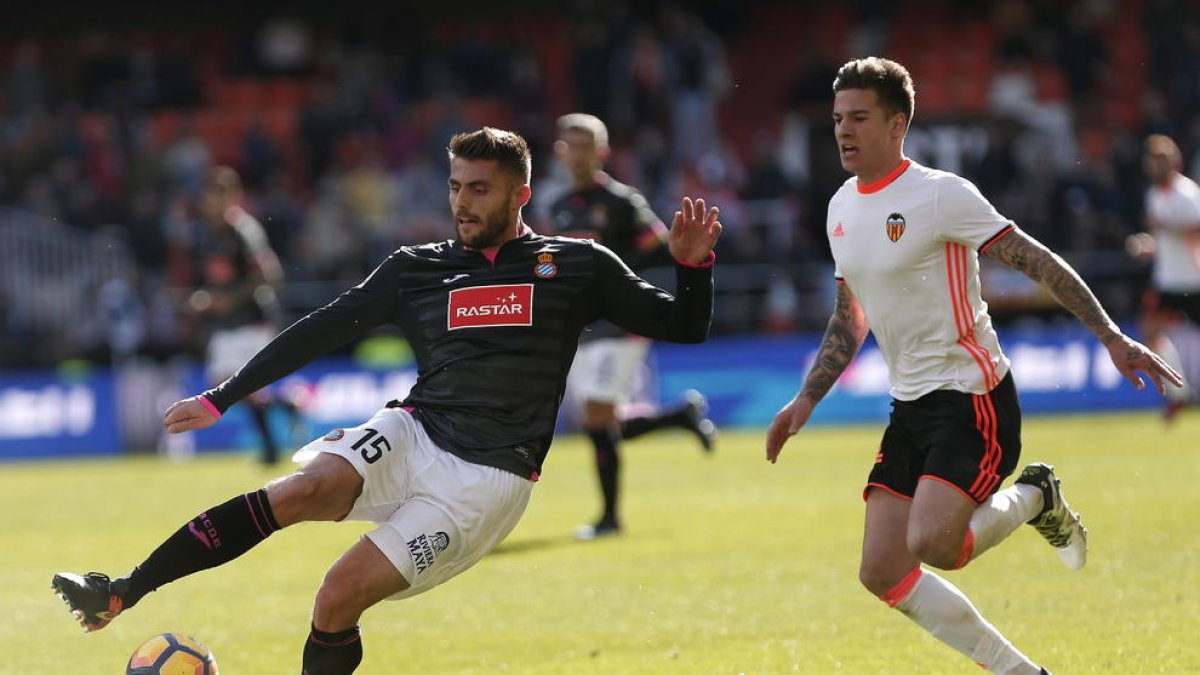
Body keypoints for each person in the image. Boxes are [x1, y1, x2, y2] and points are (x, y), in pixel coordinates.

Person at [51, 127, 722, 675]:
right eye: (456, 186)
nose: (462, 202)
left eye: (479, 190)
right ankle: (121, 590)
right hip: (414, 426)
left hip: (487, 477)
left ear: (520, 194)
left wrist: (693, 269)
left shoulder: (576, 265)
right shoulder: (416, 268)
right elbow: (320, 327)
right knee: (302, 489)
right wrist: (224, 397)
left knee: (337, 596)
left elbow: (684, 326)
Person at [765, 58, 1183, 675]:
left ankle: (1036, 496)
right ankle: (1021, 672)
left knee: (935, 545)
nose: (843, 131)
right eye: (836, 119)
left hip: (973, 395)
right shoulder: (840, 208)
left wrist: (1111, 337)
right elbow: (849, 316)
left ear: (897, 123)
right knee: (880, 571)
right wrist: (806, 400)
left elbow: (1038, 262)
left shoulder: (941, 195)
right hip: (909, 405)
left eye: (859, 117)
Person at [548, 112, 717, 540]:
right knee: (598, 422)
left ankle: (609, 518)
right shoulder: (559, 208)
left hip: (621, 324)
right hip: (584, 328)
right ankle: (680, 416)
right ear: (560, 152)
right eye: (571, 145)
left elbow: (663, 249)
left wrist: (632, 292)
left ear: (602, 153)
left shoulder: (623, 202)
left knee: (597, 415)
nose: (579, 154)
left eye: (587, 145)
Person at [186, 165, 300, 464]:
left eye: (221, 195)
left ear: (235, 196)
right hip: (227, 324)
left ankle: (270, 447)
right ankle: (287, 407)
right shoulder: (207, 234)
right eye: (210, 195)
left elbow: (270, 273)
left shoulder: (243, 229)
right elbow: (220, 279)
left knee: (231, 385)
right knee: (227, 386)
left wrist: (228, 299)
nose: (214, 202)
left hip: (252, 319)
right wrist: (207, 299)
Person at [1126, 134, 1200, 421]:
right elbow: (1166, 238)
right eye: (1152, 161)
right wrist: (1148, 245)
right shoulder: (1154, 194)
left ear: (1173, 162)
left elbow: (1195, 231)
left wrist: (1165, 227)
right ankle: (1179, 393)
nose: (1155, 166)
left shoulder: (1188, 193)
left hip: (1193, 280)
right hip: (1167, 280)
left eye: (1161, 160)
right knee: (1149, 331)